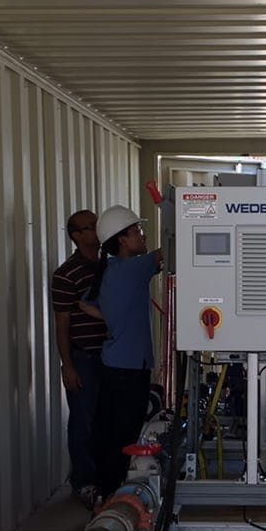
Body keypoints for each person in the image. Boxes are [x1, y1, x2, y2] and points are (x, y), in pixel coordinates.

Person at [87, 205, 163, 497]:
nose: (142, 235)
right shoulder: (134, 267)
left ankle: (107, 494)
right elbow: (164, 253)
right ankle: (115, 497)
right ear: (122, 239)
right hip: (129, 368)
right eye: (136, 231)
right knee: (124, 434)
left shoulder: (112, 270)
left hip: (115, 363)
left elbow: (89, 306)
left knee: (112, 431)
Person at [51, 210, 107, 507]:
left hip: (111, 357)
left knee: (107, 420)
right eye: (92, 226)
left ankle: (105, 479)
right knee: (83, 421)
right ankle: (84, 481)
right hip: (83, 358)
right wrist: (68, 366)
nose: (98, 230)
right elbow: (62, 324)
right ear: (77, 235)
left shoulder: (109, 265)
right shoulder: (65, 275)